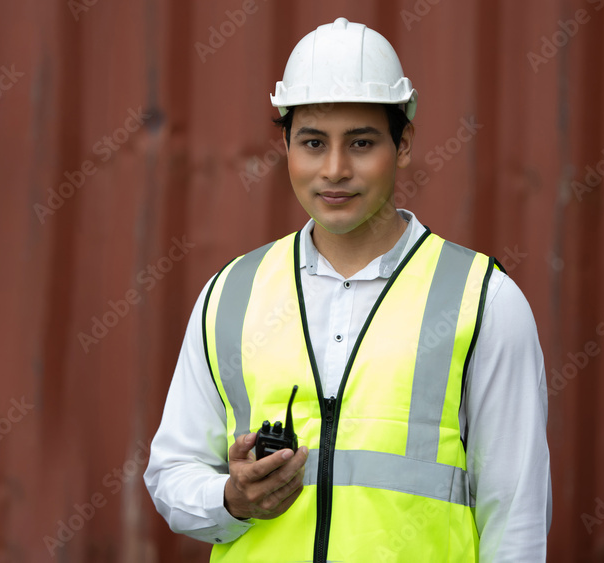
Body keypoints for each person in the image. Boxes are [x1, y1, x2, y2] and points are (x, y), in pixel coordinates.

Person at [144, 17, 551, 562]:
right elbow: (172, 473)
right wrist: (232, 499)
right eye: (313, 143)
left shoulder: (484, 301)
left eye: (361, 143)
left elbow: (516, 517)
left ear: (403, 144)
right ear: (286, 144)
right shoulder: (231, 294)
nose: (334, 170)